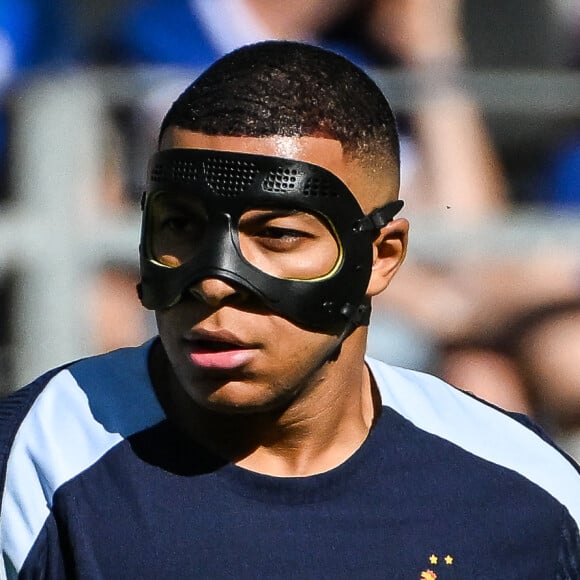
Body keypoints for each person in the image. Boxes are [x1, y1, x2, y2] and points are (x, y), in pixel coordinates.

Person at [1, 40, 578, 579]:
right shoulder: (33, 465)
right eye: (180, 226)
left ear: (381, 256)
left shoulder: (523, 495)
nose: (216, 283)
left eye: (276, 234)